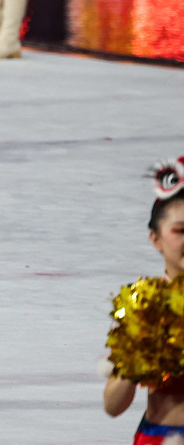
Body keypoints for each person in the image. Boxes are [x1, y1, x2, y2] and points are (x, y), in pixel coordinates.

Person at [103, 156, 184, 440]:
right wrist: (135, 356)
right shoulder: (145, 306)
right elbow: (112, 406)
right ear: (156, 238)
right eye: (180, 231)